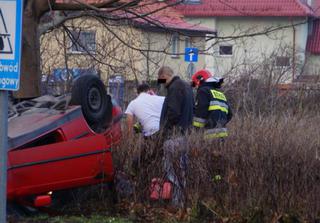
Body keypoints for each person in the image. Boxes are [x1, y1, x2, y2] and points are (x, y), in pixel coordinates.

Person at [157, 66, 194, 208]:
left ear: (165, 75)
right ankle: (182, 202)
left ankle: (176, 203)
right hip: (186, 135)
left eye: (161, 79)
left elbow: (173, 113)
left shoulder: (174, 88)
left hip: (174, 136)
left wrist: (164, 132)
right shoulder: (186, 86)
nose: (161, 83)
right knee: (182, 170)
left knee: (172, 171)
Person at [191, 69, 232, 139]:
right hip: (223, 134)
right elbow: (230, 114)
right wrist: (220, 123)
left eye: (195, 84)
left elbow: (201, 112)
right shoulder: (220, 93)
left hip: (209, 135)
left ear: (199, 81)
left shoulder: (203, 91)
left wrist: (195, 130)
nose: (195, 87)